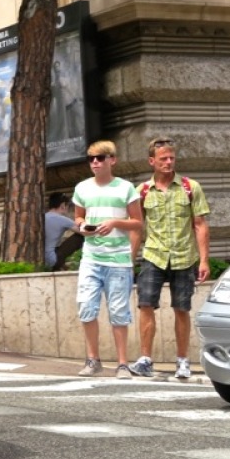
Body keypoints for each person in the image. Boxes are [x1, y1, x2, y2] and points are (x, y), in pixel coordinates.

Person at [129, 137, 211, 381]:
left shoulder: (189, 187)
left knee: (181, 308)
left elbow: (200, 225)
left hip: (184, 256)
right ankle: (145, 359)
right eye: (163, 158)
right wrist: (130, 259)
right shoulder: (142, 191)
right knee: (145, 305)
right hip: (153, 255)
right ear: (151, 161)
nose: (168, 162)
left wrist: (204, 260)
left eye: (171, 158)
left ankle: (183, 360)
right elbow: (136, 228)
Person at [71, 140, 143, 378]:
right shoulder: (82, 188)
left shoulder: (126, 188)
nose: (95, 162)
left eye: (100, 158)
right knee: (86, 307)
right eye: (91, 158)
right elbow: (78, 218)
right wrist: (83, 227)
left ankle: (123, 363)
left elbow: (137, 222)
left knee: (119, 312)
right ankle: (93, 360)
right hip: (91, 257)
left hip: (118, 259)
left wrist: (114, 223)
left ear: (112, 160)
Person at [44, 192, 83, 271]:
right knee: (80, 237)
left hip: (43, 259)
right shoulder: (62, 220)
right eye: (67, 206)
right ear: (62, 205)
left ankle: (62, 266)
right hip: (53, 260)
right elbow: (84, 232)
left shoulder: (43, 216)